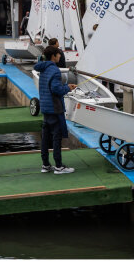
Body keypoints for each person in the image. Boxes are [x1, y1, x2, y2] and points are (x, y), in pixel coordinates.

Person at [33, 46, 78, 174]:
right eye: (59, 54)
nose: (60, 56)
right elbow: (56, 90)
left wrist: (65, 86)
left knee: (45, 138)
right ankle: (59, 166)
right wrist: (68, 88)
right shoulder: (55, 71)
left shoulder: (44, 69)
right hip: (55, 108)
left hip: (46, 108)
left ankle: (46, 165)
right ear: (53, 56)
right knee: (56, 138)